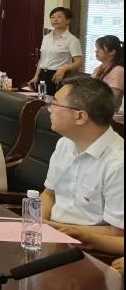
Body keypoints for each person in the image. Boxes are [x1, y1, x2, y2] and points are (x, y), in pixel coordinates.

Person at [40, 78, 124, 255]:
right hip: (54, 237)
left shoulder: (118, 163)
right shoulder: (65, 144)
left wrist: (62, 230)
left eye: (55, 103)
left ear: (80, 116)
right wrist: (36, 224)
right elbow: (49, 194)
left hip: (89, 250)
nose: (49, 109)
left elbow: (117, 233)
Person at [28, 7, 83, 95]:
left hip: (58, 75)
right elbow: (42, 59)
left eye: (59, 17)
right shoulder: (46, 38)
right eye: (52, 17)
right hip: (43, 75)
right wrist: (36, 76)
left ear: (68, 20)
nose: (55, 20)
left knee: (55, 100)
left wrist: (64, 68)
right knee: (41, 99)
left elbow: (78, 62)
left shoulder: (72, 40)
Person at [92, 35, 124, 110]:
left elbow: (112, 100)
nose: (96, 51)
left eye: (100, 48)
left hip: (105, 112)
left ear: (112, 52)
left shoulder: (118, 71)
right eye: (96, 48)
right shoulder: (98, 68)